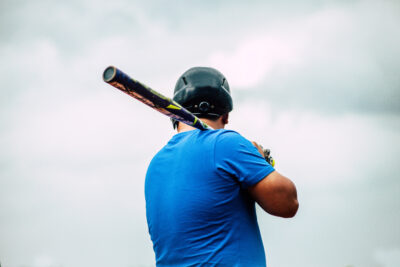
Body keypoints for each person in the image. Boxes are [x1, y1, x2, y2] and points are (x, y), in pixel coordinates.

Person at [145, 67, 298, 266]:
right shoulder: (225, 143)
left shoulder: (155, 164)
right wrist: (261, 160)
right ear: (225, 115)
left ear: (174, 116)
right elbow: (288, 203)